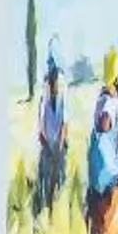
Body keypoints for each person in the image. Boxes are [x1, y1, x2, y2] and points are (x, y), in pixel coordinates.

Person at [86, 51, 118, 234]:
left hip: (97, 180)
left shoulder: (101, 99)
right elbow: (106, 123)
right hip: (111, 178)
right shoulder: (110, 103)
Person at [34, 44, 68, 218]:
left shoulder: (62, 87)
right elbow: (41, 122)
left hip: (59, 148)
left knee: (59, 186)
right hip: (48, 147)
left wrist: (59, 148)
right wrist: (47, 145)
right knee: (45, 186)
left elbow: (64, 123)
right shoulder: (45, 88)